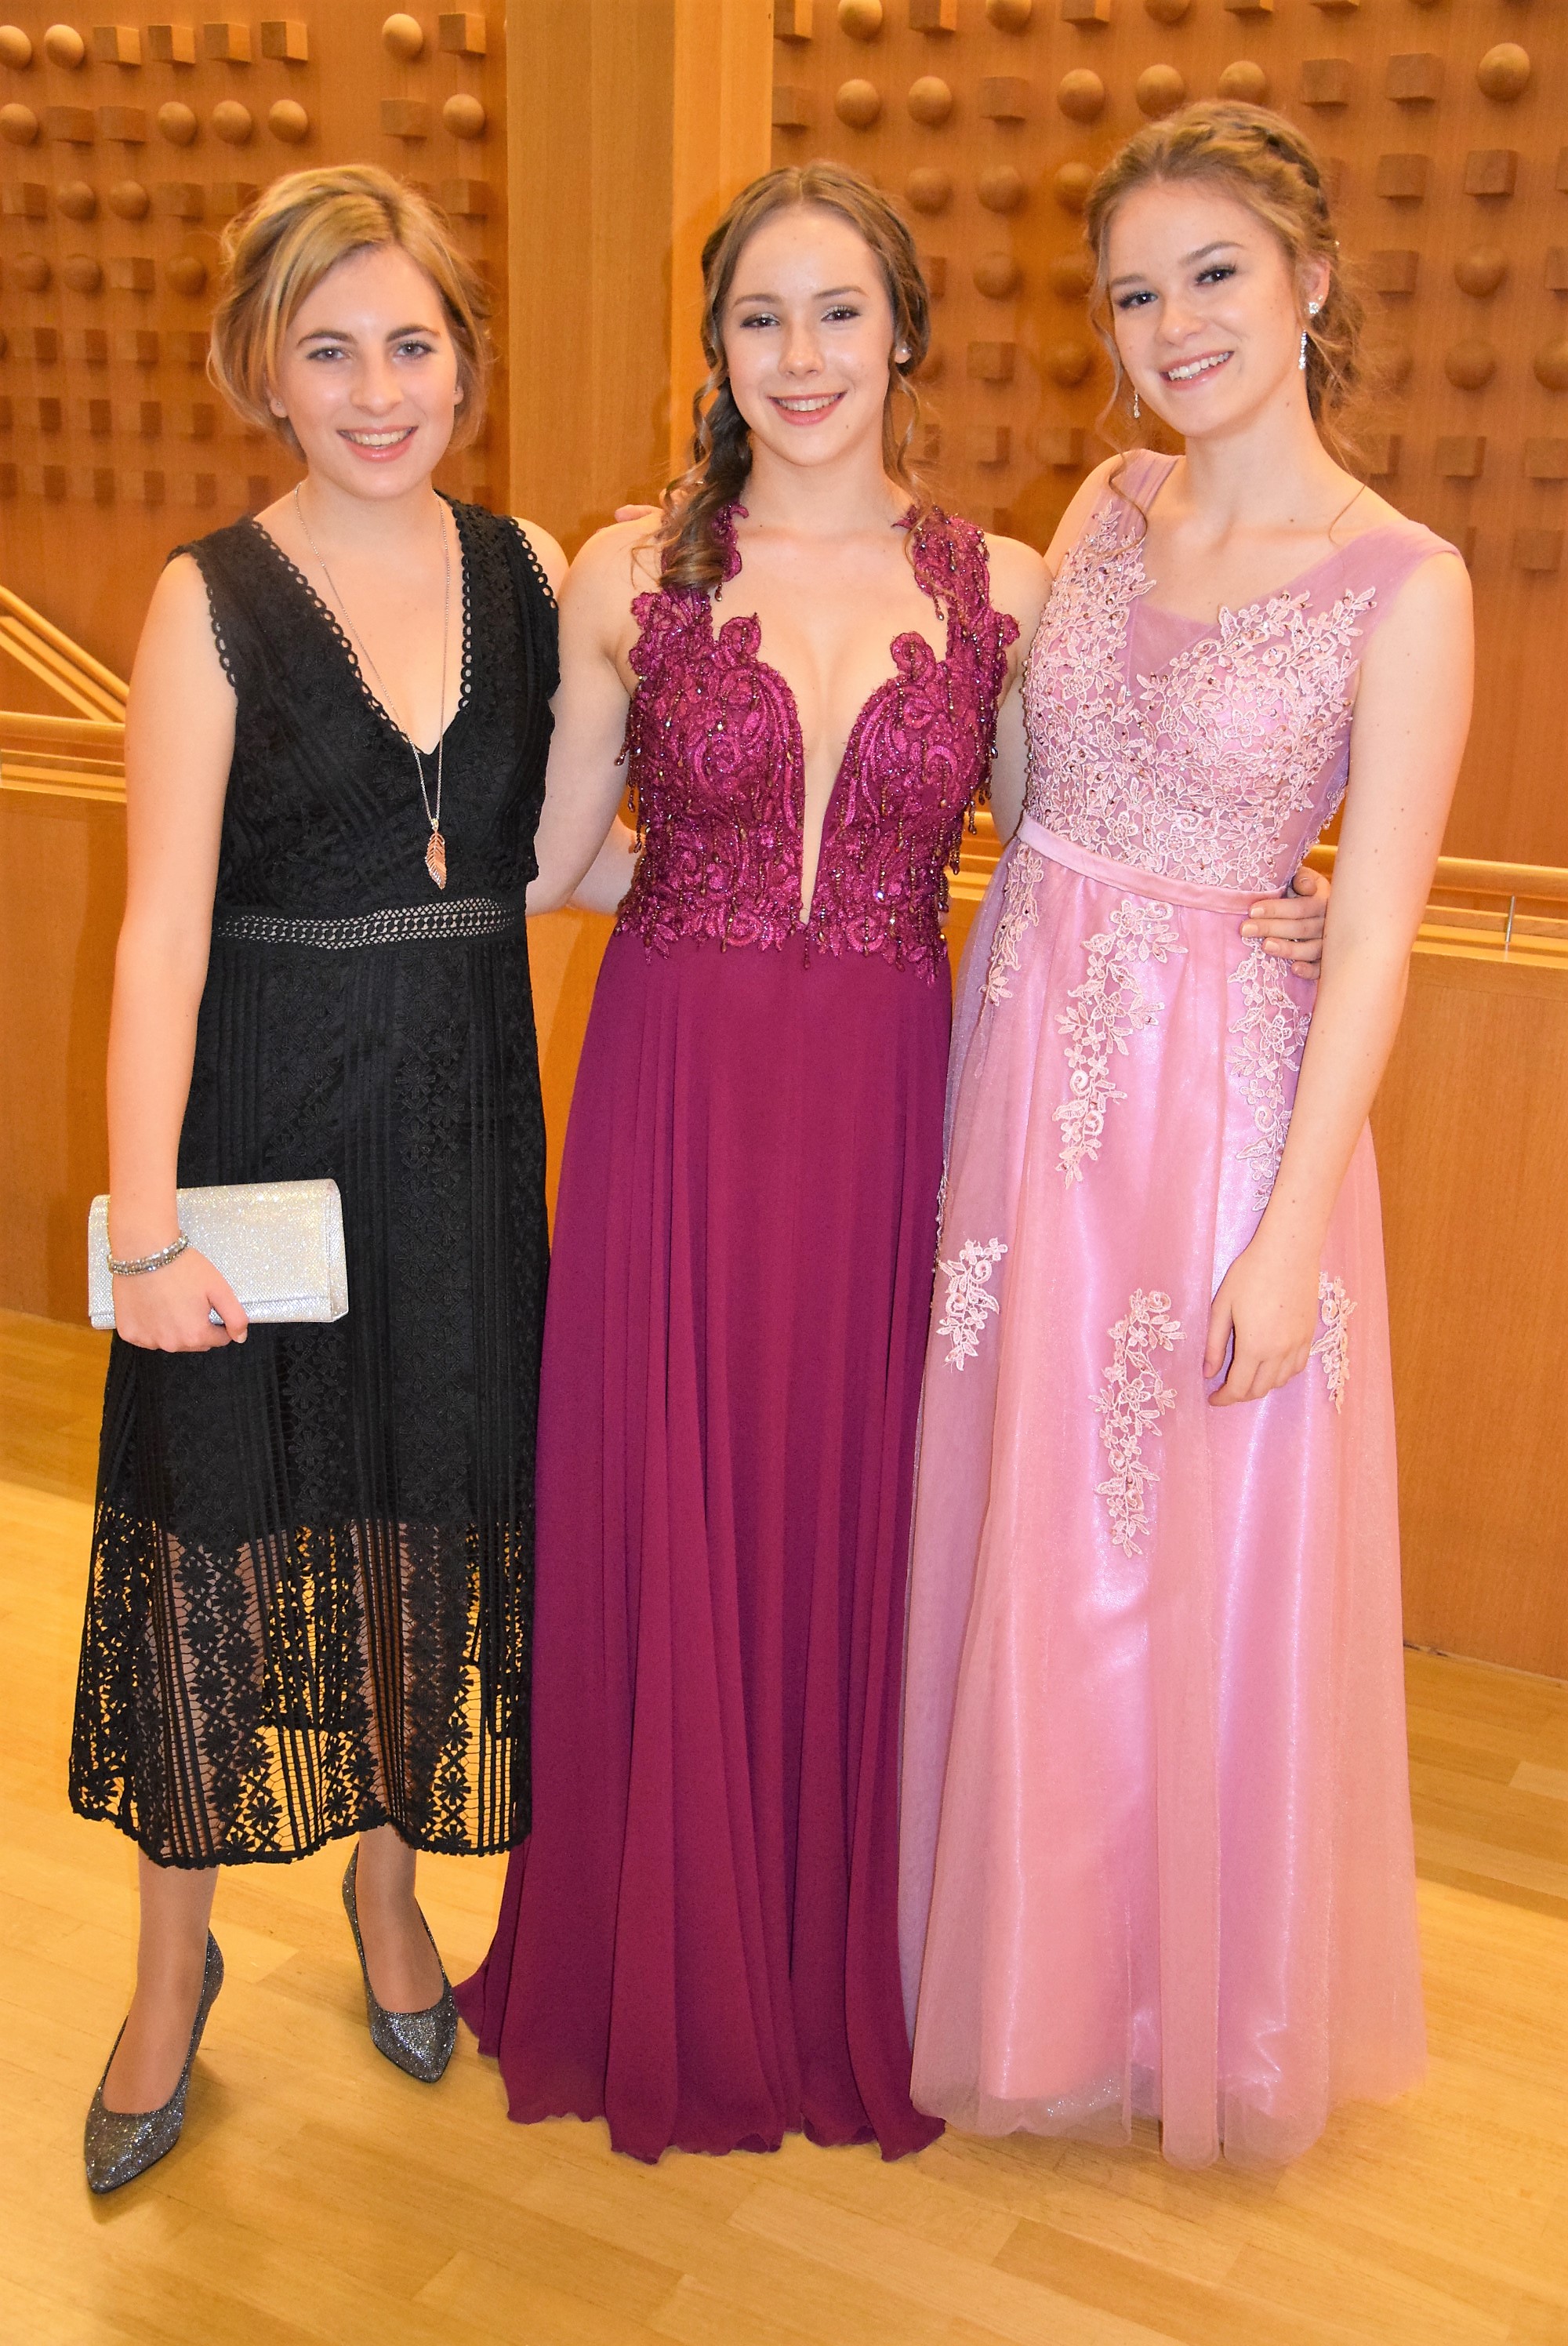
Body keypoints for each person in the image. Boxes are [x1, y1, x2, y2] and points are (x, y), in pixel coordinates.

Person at [456, 161, 1327, 2164]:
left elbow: (1069, 842)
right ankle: (658, 1958)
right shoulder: (632, 573)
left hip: (885, 1112)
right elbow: (551, 859)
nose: (801, 355)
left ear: (904, 332)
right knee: (665, 1495)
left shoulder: (1006, 584)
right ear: (713, 350)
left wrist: (1274, 904)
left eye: (838, 311)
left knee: (853, 1507)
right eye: (759, 317)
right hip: (672, 1092)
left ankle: (825, 1949)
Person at [898, 104, 1472, 2169]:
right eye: (1136, 292)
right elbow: (1027, 782)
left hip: (1222, 1110)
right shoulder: (1107, 503)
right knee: (1028, 1530)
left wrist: (1293, 1230)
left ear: (1310, 280)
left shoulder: (1404, 582)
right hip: (1025, 1064)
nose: (1174, 324)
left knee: (1175, 1548)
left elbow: (1378, 930)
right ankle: (1024, 1971)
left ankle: (1164, 2004)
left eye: (1213, 273)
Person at [70, 165, 563, 2191]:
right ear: (265, 369)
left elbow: (579, 848)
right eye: (330, 348)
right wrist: (144, 1235)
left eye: (411, 343)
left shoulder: (528, 569)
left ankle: (387, 1889)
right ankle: (166, 1973)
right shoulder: (209, 598)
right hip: (264, 1143)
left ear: (463, 357)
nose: (377, 389)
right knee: (216, 1548)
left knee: (422, 1527)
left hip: (462, 1138)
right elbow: (155, 940)